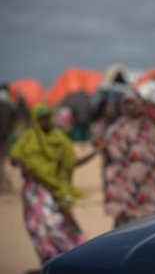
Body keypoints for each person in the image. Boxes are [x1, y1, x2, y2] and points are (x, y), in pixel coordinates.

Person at [9, 103, 99, 265]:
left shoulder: (59, 139)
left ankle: (70, 259)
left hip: (54, 191)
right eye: (40, 118)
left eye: (46, 118)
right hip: (34, 191)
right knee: (37, 227)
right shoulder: (28, 138)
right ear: (35, 120)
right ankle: (49, 260)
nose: (44, 122)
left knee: (57, 225)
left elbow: (72, 162)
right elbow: (14, 158)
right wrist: (22, 164)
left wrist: (95, 153)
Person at [100, 91, 155, 227]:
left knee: (152, 226)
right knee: (126, 229)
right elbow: (113, 156)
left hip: (149, 186)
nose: (130, 107)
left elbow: (154, 158)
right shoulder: (116, 129)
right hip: (125, 188)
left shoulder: (148, 128)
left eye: (133, 103)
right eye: (126, 104)